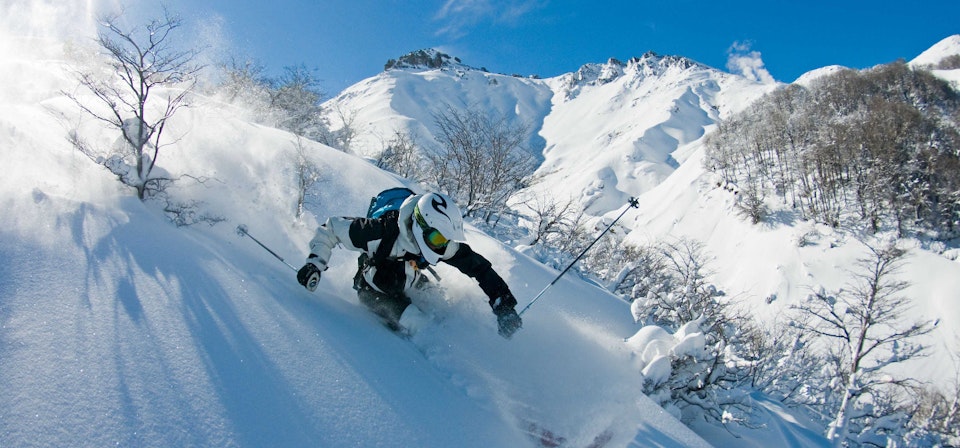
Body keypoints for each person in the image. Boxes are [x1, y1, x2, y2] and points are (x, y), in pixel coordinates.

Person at [296, 191, 523, 338]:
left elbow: (479, 267)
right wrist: (314, 264)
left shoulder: (438, 244)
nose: (440, 246)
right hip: (374, 288)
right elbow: (331, 229)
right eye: (436, 239)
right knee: (422, 326)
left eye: (445, 240)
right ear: (420, 224)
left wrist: (503, 304)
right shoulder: (379, 231)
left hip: (410, 278)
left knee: (441, 312)